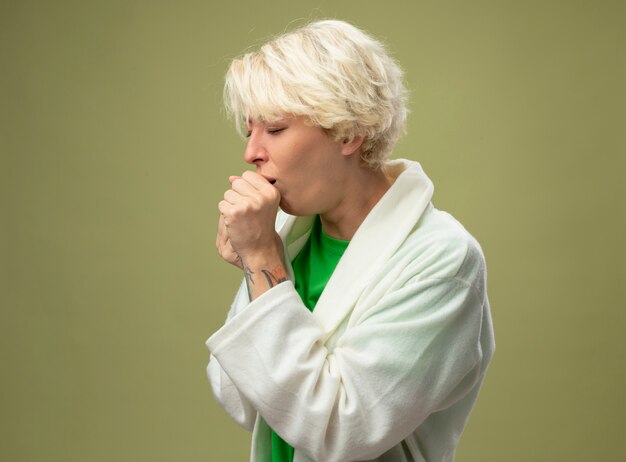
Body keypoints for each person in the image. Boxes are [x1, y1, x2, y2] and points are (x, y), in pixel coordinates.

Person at [206, 19, 495, 462]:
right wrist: (255, 265)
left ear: (347, 131)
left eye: (276, 129)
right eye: (250, 130)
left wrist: (262, 259)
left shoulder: (444, 260)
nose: (252, 152)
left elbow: (340, 432)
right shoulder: (288, 235)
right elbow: (240, 399)